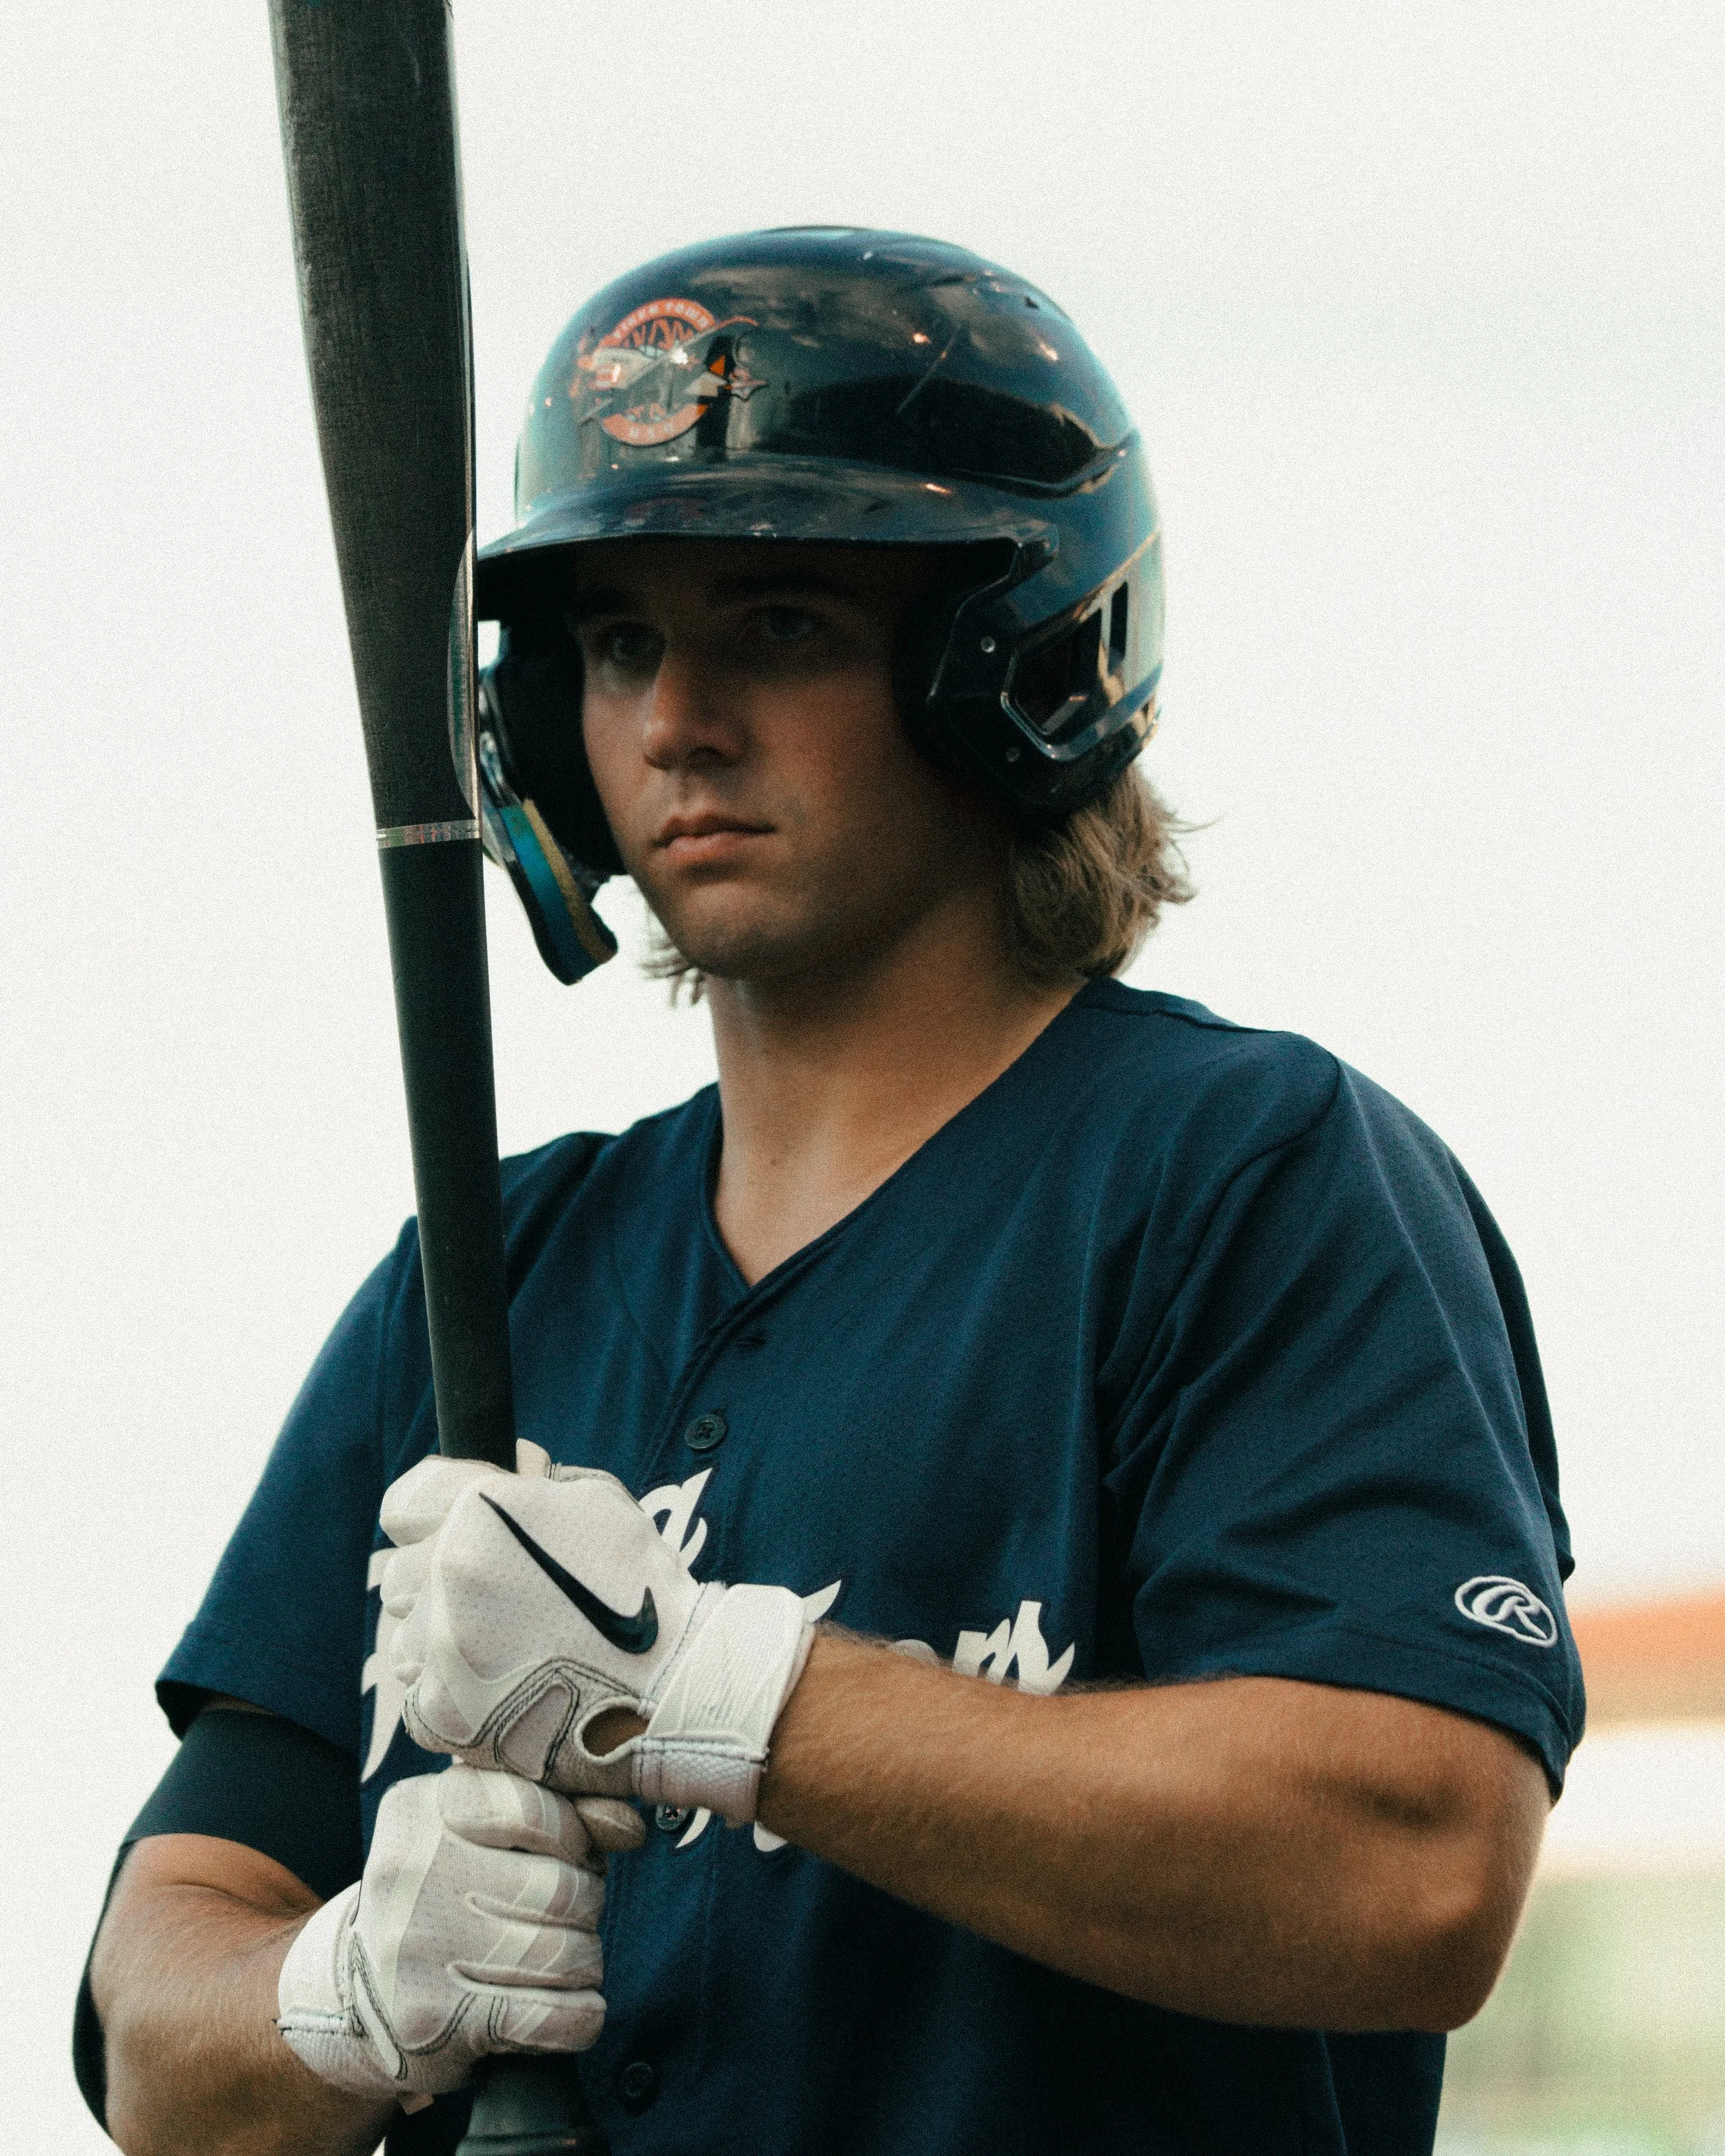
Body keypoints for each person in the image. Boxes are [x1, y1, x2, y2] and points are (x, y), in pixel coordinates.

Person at [79, 228, 1583, 2156]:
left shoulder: (1247, 1175)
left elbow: (1413, 1865)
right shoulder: (491, 1267)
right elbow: (158, 2038)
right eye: (619, 642)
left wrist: (702, 1687)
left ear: (1010, 656)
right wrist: (349, 1984)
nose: (673, 717)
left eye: (774, 622)